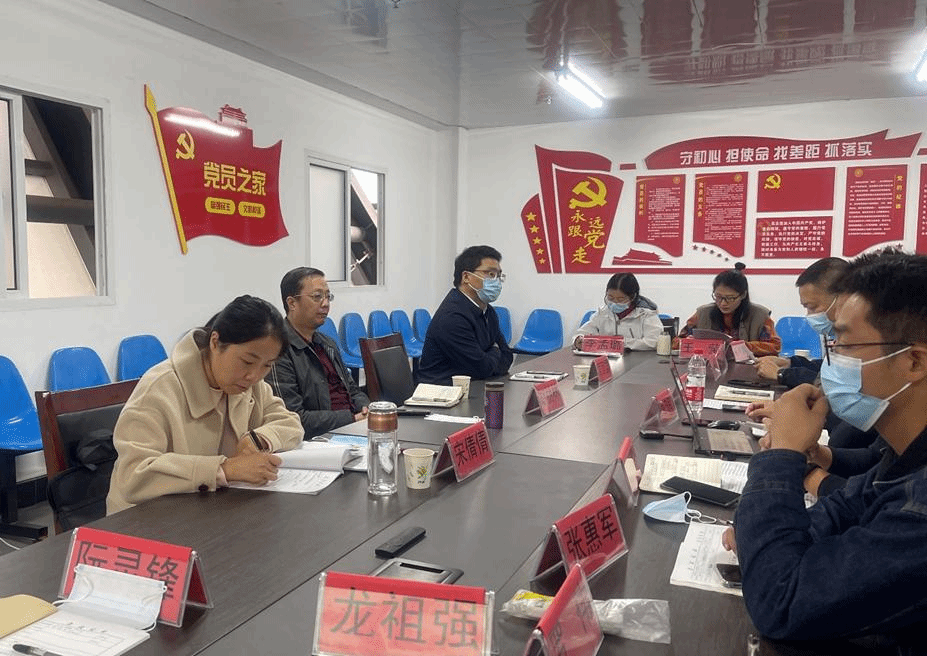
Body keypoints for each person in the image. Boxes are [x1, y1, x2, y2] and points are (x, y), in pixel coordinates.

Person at [725, 251, 927, 646]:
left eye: (844, 344)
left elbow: (780, 603)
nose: (831, 361)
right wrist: (765, 539)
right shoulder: (905, 454)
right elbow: (842, 508)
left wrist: (782, 453)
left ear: (914, 362)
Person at [107, 296, 303, 514]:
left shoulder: (250, 385)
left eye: (267, 366)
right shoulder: (160, 388)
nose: (254, 376)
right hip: (143, 520)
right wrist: (225, 469)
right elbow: (133, 475)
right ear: (215, 342)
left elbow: (290, 423)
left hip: (208, 510)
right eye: (247, 361)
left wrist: (259, 438)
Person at [266, 267, 369, 439]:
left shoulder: (327, 343)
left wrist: (366, 408)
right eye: (317, 296)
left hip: (353, 428)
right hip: (321, 439)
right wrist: (352, 419)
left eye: (328, 296)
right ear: (292, 303)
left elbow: (352, 390)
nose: (325, 303)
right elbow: (293, 418)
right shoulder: (278, 350)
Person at [418, 245, 513, 385]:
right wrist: (495, 350)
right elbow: (481, 368)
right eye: (490, 274)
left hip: (474, 386)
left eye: (498, 275)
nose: (496, 281)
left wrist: (491, 355)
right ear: (466, 277)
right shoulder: (452, 317)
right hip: (442, 391)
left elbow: (507, 358)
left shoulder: (488, 311)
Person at [754, 257, 847, 387]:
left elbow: (837, 384)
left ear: (843, 298)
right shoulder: (840, 334)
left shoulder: (863, 336)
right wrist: (790, 363)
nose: (809, 315)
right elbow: (829, 368)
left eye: (813, 307)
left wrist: (782, 374)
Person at [677, 263, 781, 356]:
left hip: (748, 368)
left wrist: (744, 346)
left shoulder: (760, 315)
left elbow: (775, 346)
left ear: (743, 295)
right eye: (718, 297)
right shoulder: (703, 313)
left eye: (730, 298)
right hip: (708, 366)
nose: (723, 303)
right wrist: (692, 342)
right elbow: (677, 341)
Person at [571, 272, 663, 351]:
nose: (614, 303)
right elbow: (582, 332)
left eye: (620, 299)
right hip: (607, 360)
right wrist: (578, 340)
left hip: (639, 361)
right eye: (610, 298)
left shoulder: (646, 314)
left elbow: (654, 342)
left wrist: (620, 343)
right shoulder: (603, 312)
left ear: (632, 297)